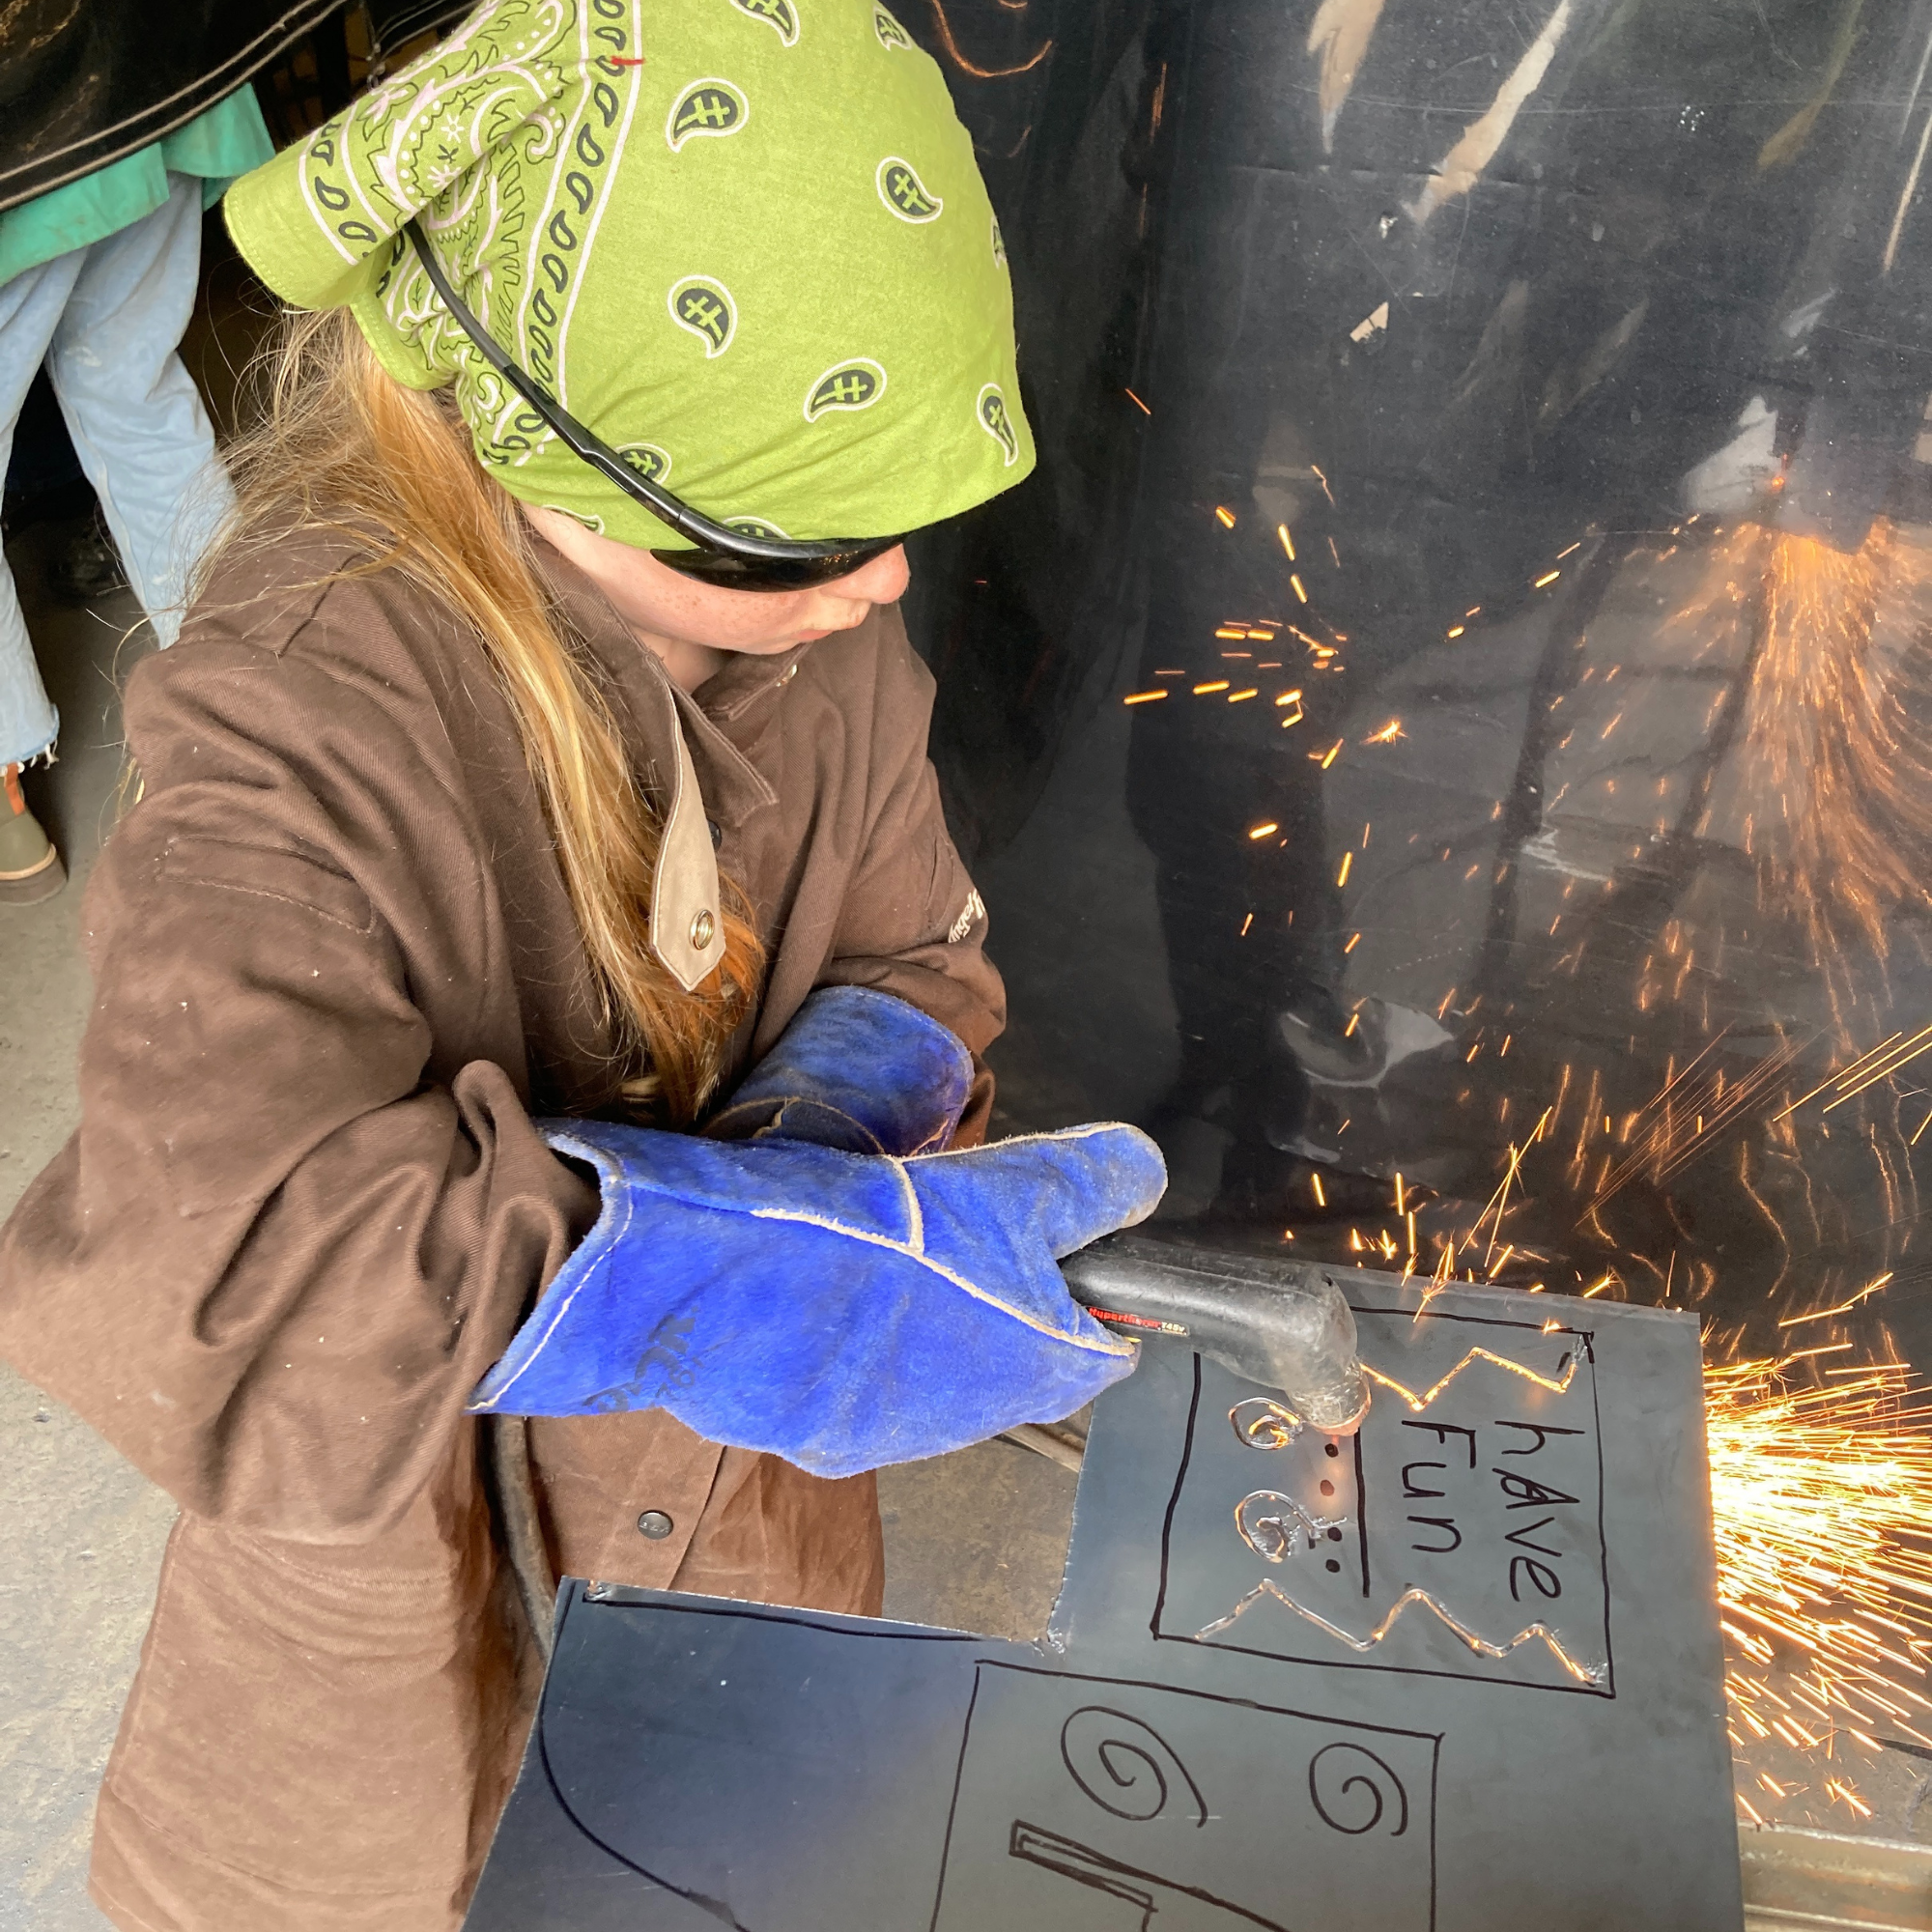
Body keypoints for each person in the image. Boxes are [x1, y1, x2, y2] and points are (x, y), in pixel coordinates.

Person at [0, 4, 1163, 1926]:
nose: (874, 589)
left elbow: (916, 933)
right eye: (791, 544)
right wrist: (700, 1266)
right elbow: (206, 1274)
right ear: (556, 459)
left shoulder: (826, 636)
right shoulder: (289, 730)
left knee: (734, 1854)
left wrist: (833, 1117)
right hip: (386, 1663)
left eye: (891, 530)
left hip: (734, 1554)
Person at [0, 87, 272, 901]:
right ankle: (248, 719)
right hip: (145, 84)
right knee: (138, 403)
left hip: (20, 138)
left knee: (135, 401)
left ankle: (3, 785)